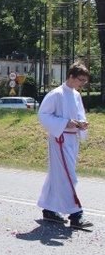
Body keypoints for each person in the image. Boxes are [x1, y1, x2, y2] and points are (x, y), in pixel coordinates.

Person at [37, 62, 92, 229]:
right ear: (71, 77)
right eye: (81, 80)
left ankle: (49, 209)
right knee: (68, 176)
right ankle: (76, 215)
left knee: (58, 174)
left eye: (85, 81)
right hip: (60, 138)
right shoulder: (56, 94)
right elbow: (43, 115)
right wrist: (64, 123)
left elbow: (79, 114)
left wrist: (82, 124)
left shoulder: (75, 95)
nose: (82, 83)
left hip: (72, 139)